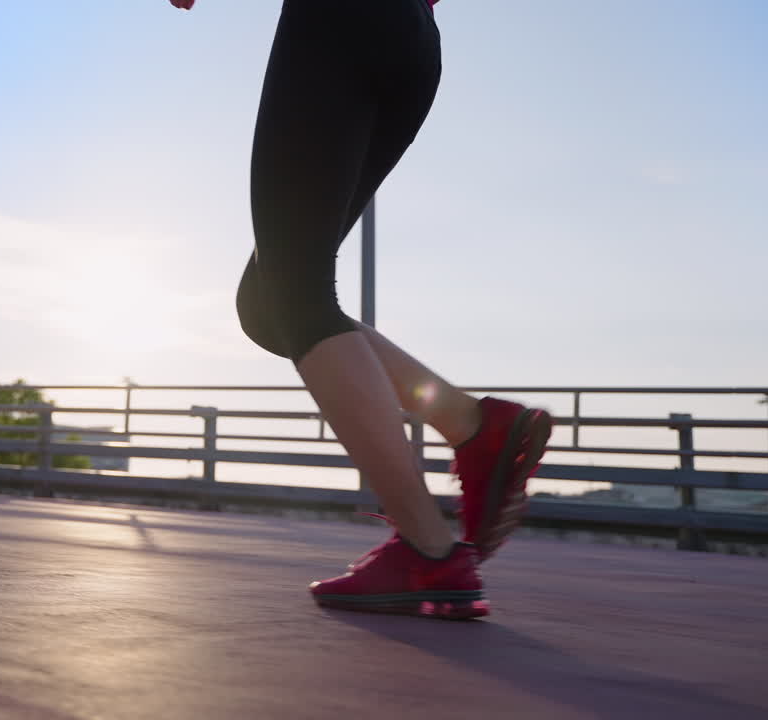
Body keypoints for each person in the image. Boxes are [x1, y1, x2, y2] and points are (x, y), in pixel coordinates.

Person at [169, 0, 552, 620]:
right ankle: (475, 428)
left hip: (339, 22)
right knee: (270, 303)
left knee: (296, 290)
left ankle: (430, 550)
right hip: (412, 40)